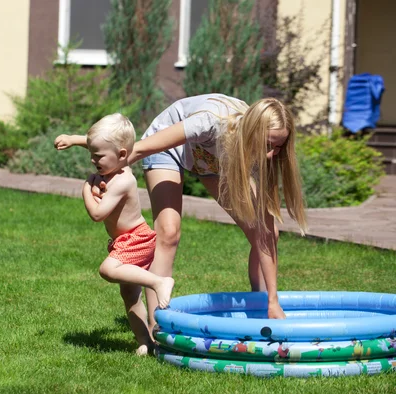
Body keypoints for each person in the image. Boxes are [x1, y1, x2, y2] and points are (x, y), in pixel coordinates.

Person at [54, 94, 308, 331]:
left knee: (267, 232)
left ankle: (261, 307)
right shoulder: (211, 122)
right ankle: (158, 326)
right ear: (252, 131)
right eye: (268, 145)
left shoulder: (262, 154)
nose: (271, 154)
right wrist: (102, 176)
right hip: (168, 150)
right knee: (168, 232)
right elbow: (139, 150)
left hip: (209, 160)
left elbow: (264, 233)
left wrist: (274, 301)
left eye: (278, 147)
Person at [76, 113, 175, 356]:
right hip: (125, 240)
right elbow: (101, 145)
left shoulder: (122, 181)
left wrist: (86, 190)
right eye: (91, 153)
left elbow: (98, 214)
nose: (92, 160)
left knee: (107, 270)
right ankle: (146, 342)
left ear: (121, 155)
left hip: (136, 239)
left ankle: (159, 281)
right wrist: (73, 138)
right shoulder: (118, 162)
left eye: (97, 157)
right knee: (130, 297)